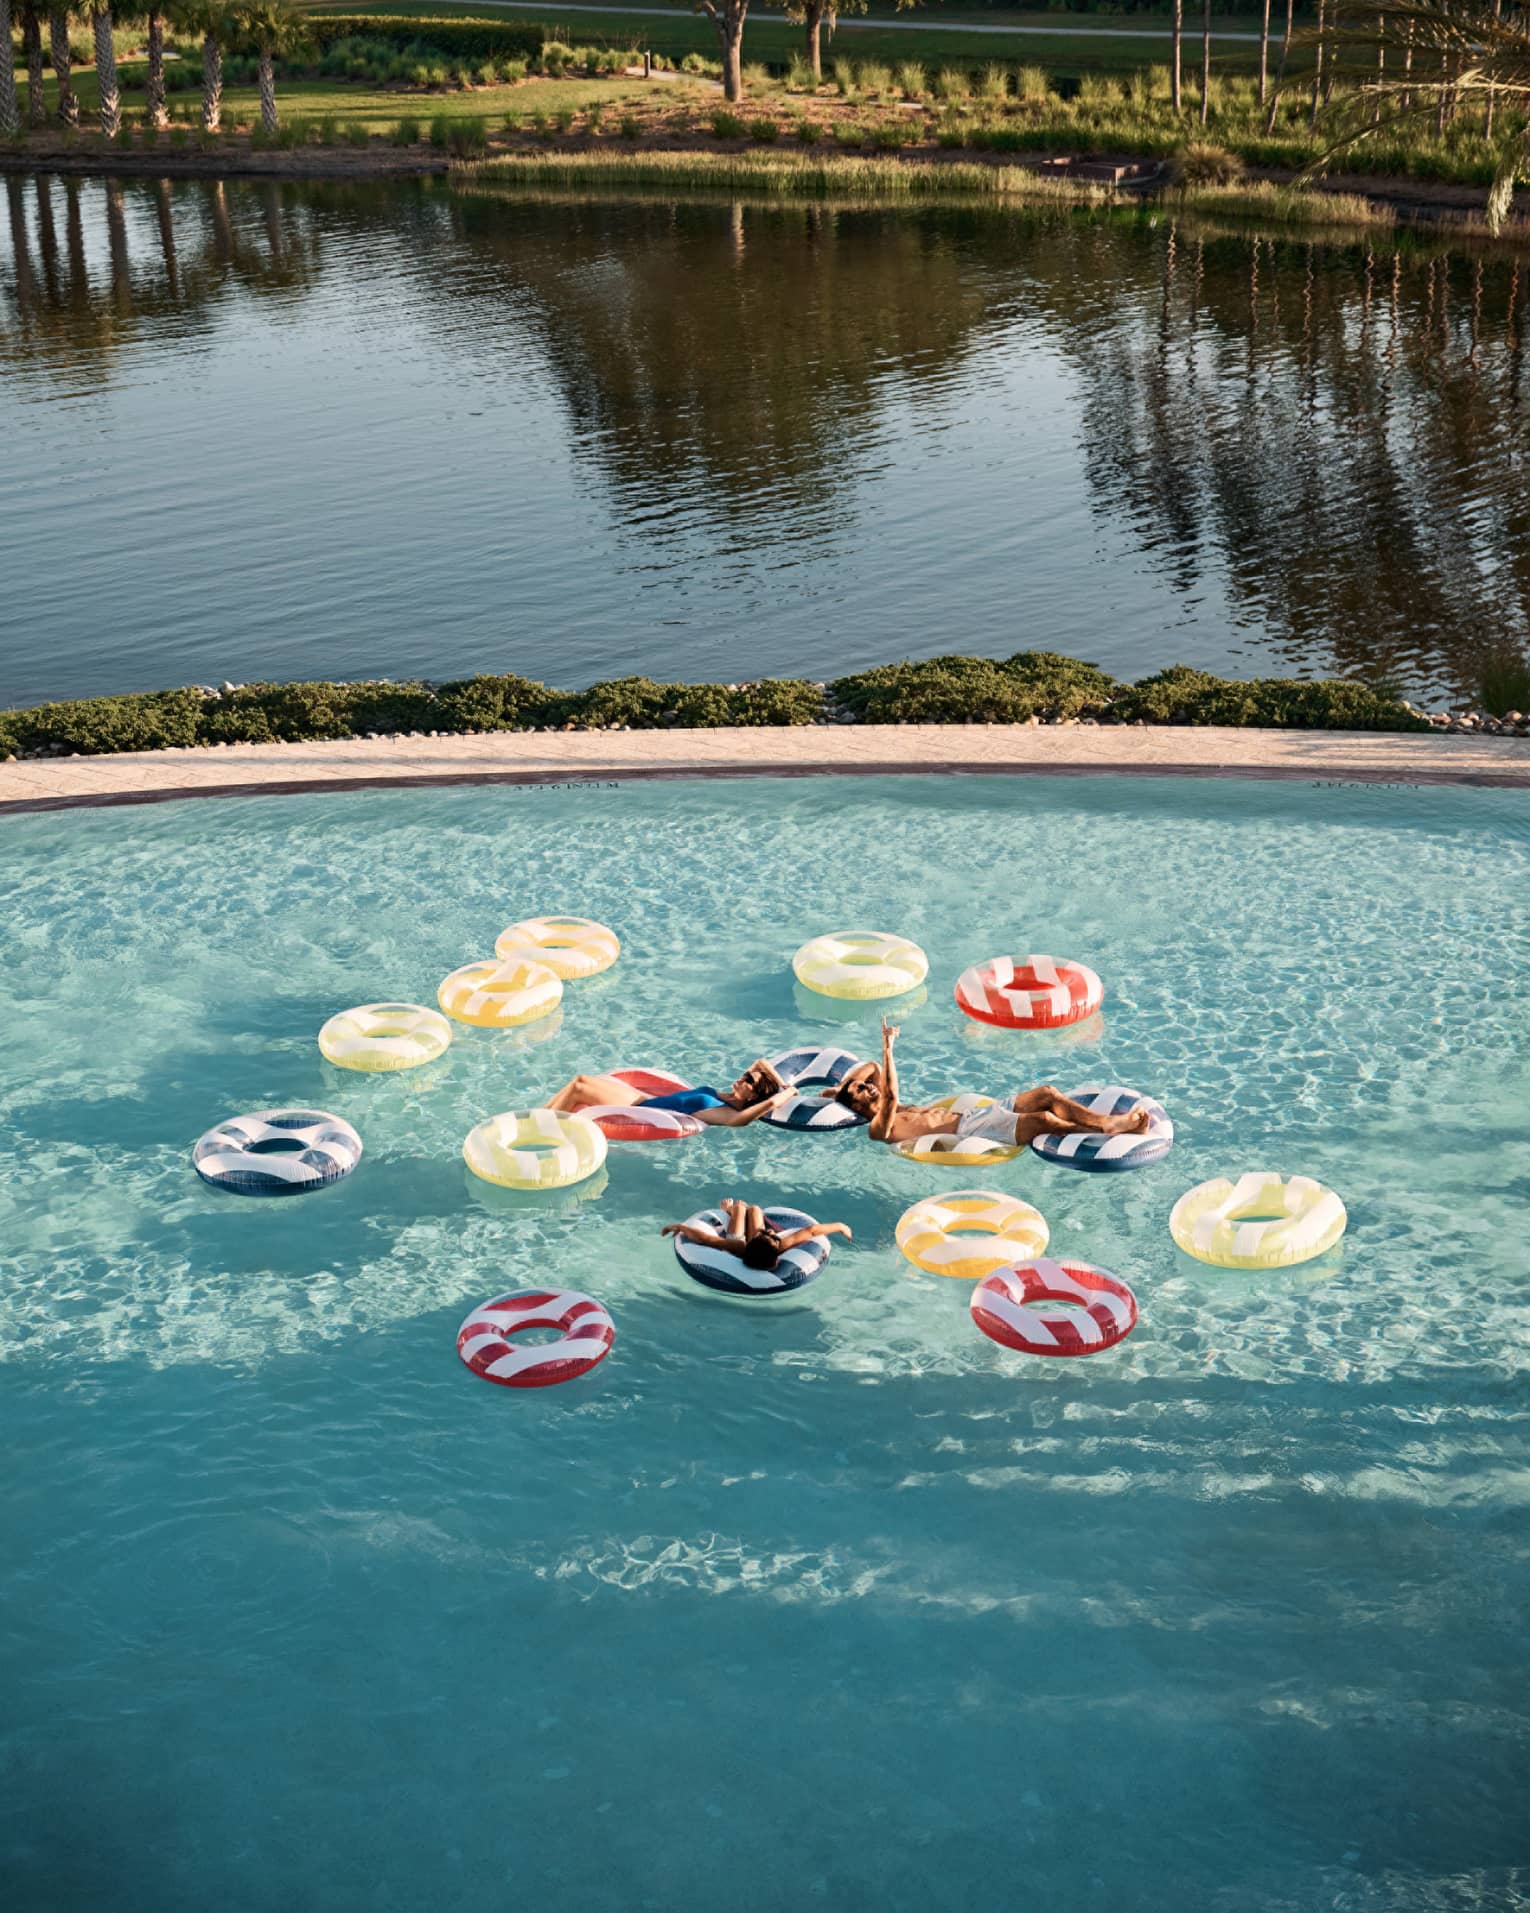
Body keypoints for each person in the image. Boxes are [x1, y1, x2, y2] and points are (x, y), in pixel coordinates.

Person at [836, 1018, 1153, 1149]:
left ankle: (1107, 1122)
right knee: (1044, 1120)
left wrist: (837, 1092)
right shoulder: (878, 1128)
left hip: (976, 1116)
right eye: (860, 1090)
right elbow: (890, 1095)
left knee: (1047, 1094)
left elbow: (872, 1068)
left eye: (863, 1085)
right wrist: (888, 1046)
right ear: (858, 1107)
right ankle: (1108, 1134)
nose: (867, 1085)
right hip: (972, 1132)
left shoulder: (894, 1107)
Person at [544, 1059, 794, 1129]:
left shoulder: (727, 1112)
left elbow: (744, 1119)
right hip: (643, 1098)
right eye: (746, 1074)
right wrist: (782, 1083)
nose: (743, 1076)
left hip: (642, 1110)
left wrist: (786, 1094)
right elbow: (761, 1062)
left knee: (580, 1086)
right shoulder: (726, 1096)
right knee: (579, 1080)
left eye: (749, 1080)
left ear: (753, 1096)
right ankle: (541, 1115)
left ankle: (542, 1125)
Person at [662, 1199, 852, 1272]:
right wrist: (840, 1226)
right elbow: (810, 1231)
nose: (771, 1231)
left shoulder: (740, 1246)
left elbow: (707, 1239)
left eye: (766, 1232)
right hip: (751, 1247)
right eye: (771, 1234)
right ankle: (733, 1211)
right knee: (750, 1209)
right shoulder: (778, 1246)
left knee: (746, 1209)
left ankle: (732, 1211)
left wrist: (680, 1226)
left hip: (743, 1243)